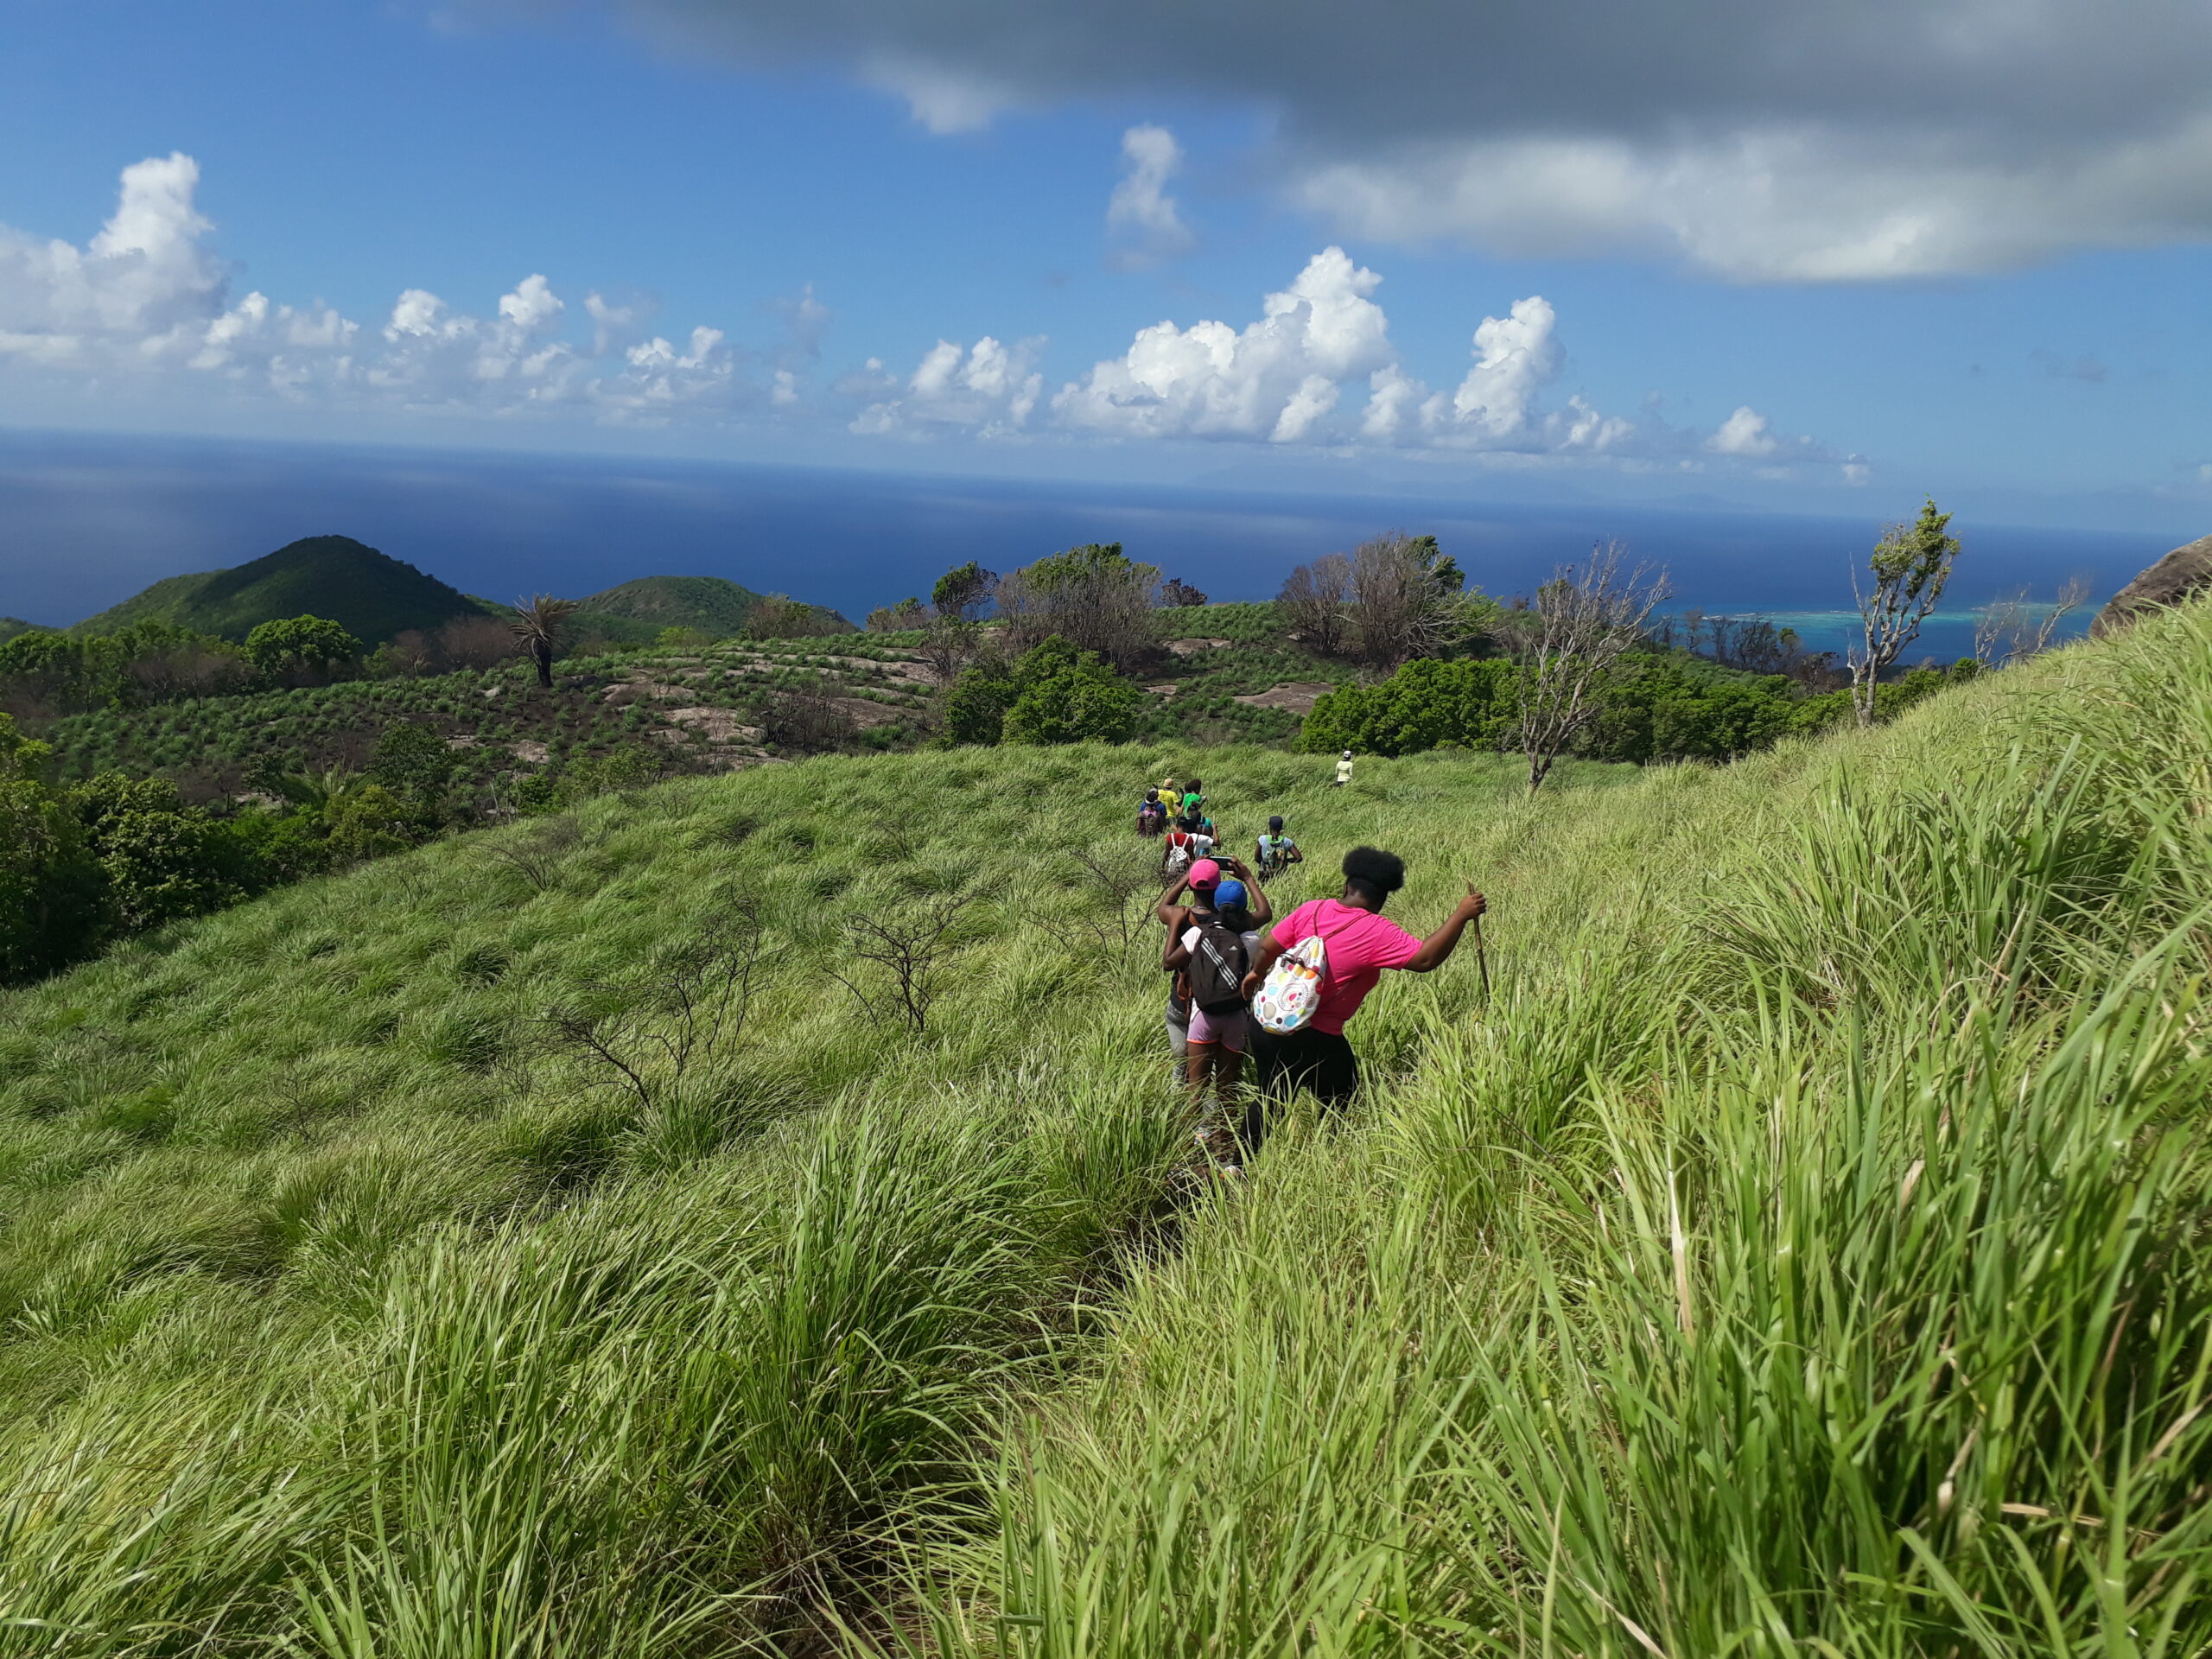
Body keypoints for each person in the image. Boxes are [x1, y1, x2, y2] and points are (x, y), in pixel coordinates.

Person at [1241, 846, 1486, 1138]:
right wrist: (1460, 915)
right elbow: (1424, 960)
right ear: (1382, 898)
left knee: (1272, 1096)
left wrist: (1256, 973)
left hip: (1265, 1022)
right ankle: (1328, 1158)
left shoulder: (1312, 908)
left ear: (1347, 885)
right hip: (1312, 1035)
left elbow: (1268, 947)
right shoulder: (1376, 930)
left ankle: (1235, 1167)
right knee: (1342, 1097)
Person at [1160, 858, 1272, 1171]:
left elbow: (1169, 961)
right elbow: (1265, 915)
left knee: (1194, 1087)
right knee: (1227, 1091)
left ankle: (1180, 1150)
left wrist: (1176, 919)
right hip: (1236, 1018)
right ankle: (1224, 1155)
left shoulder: (1196, 931)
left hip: (1202, 1014)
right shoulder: (1250, 937)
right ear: (1243, 907)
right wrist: (1248, 876)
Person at [1254, 816, 1302, 881]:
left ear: (1269, 827)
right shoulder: (1287, 841)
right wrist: (1286, 861)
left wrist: (1264, 863)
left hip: (1264, 875)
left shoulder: (1262, 839)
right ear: (1281, 828)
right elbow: (1298, 858)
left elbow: (1256, 857)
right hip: (1280, 875)